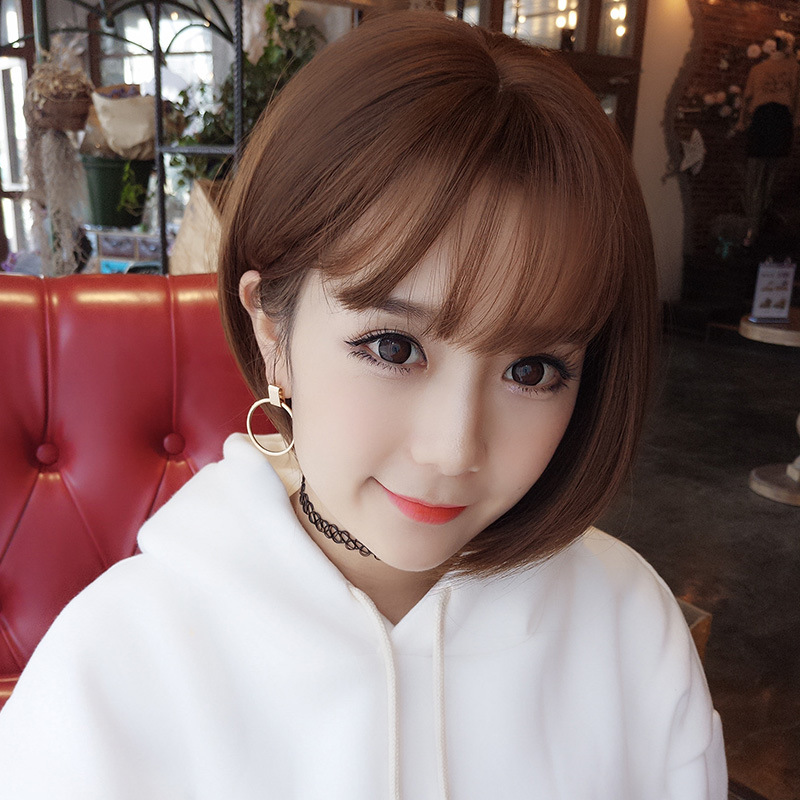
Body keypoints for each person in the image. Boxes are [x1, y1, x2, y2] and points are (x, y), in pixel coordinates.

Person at [0, 11, 727, 798]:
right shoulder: (108, 675)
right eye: (393, 348)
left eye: (532, 370)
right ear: (273, 331)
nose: (454, 449)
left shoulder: (630, 629)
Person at [735, 33, 800, 245]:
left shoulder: (770, 69)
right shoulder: (789, 68)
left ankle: (755, 225)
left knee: (761, 174)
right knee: (767, 174)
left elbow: (748, 98)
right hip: (775, 119)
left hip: (767, 119)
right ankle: (754, 225)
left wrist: (742, 121)